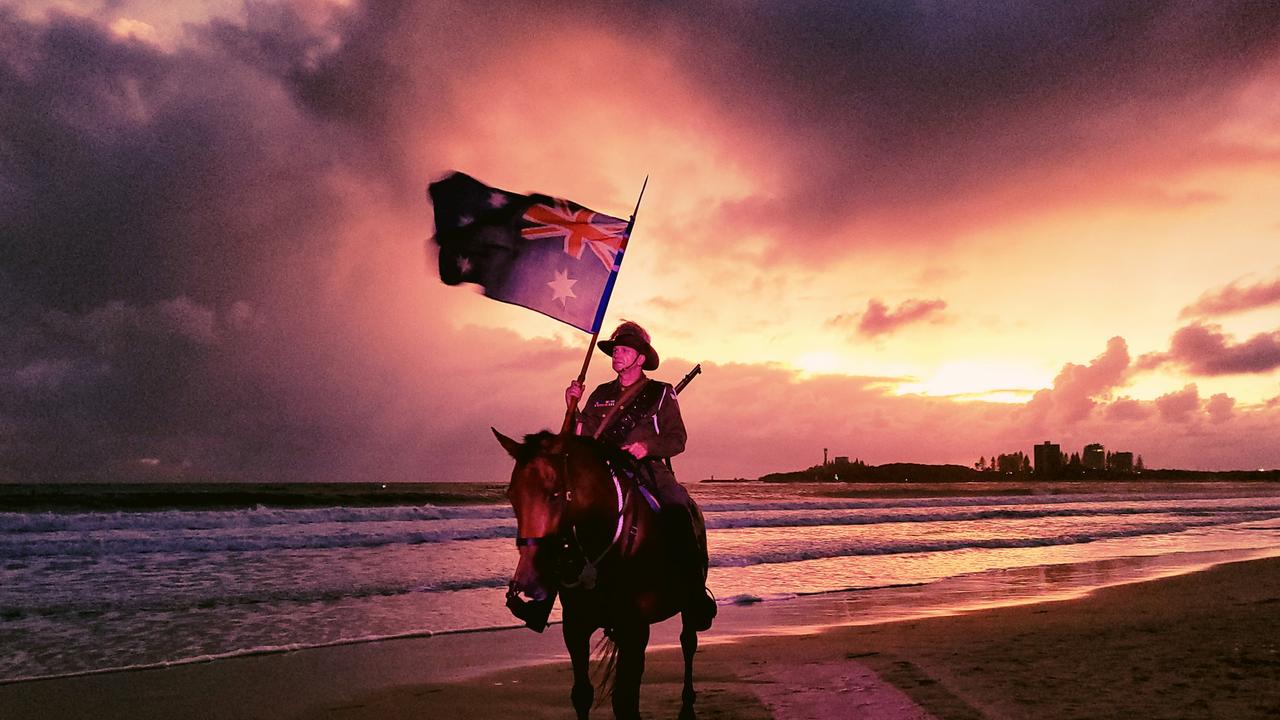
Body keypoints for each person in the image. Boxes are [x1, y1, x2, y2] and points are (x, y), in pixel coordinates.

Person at [565, 321, 717, 630]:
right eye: (615, 349)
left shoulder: (661, 394)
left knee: (678, 509)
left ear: (640, 358)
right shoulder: (600, 393)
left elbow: (677, 439)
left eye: (624, 349)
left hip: (648, 469)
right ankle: (548, 598)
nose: (617, 353)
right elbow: (580, 437)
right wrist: (572, 407)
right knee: (561, 512)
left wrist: (646, 446)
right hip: (606, 469)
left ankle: (693, 592)